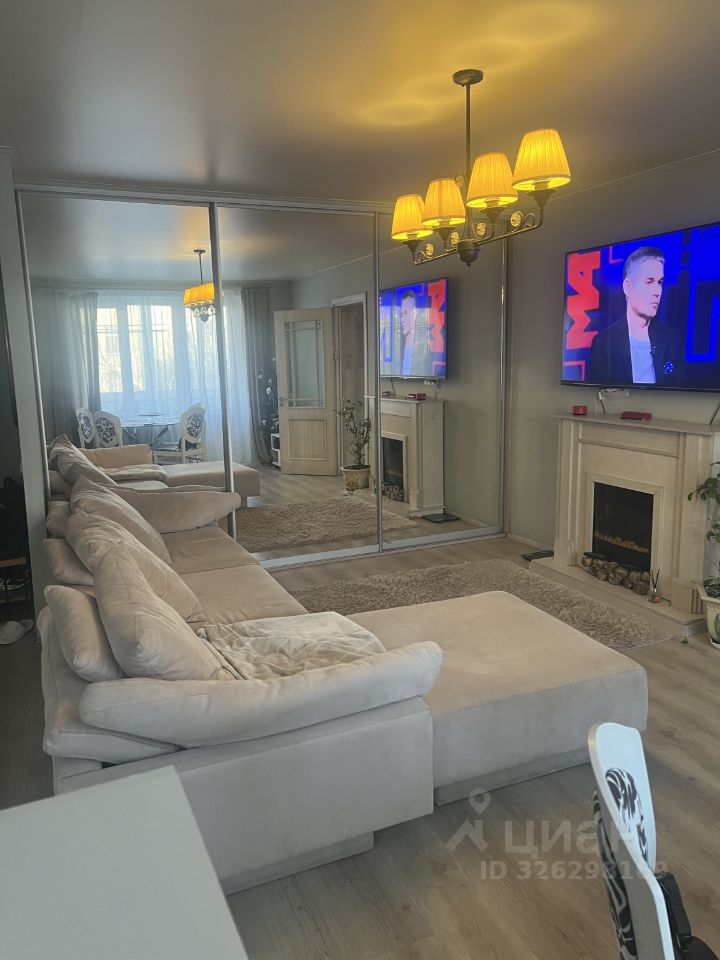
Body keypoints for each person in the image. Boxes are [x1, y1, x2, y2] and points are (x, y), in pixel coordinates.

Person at [587, 246, 685, 386]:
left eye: (660, 282)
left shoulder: (672, 339)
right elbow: (597, 391)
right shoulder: (603, 343)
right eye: (649, 282)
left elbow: (678, 388)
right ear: (628, 287)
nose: (657, 292)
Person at [398, 289, 431, 377]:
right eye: (401, 314)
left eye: (406, 313)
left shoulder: (423, 348)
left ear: (415, 313)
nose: (402, 319)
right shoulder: (399, 348)